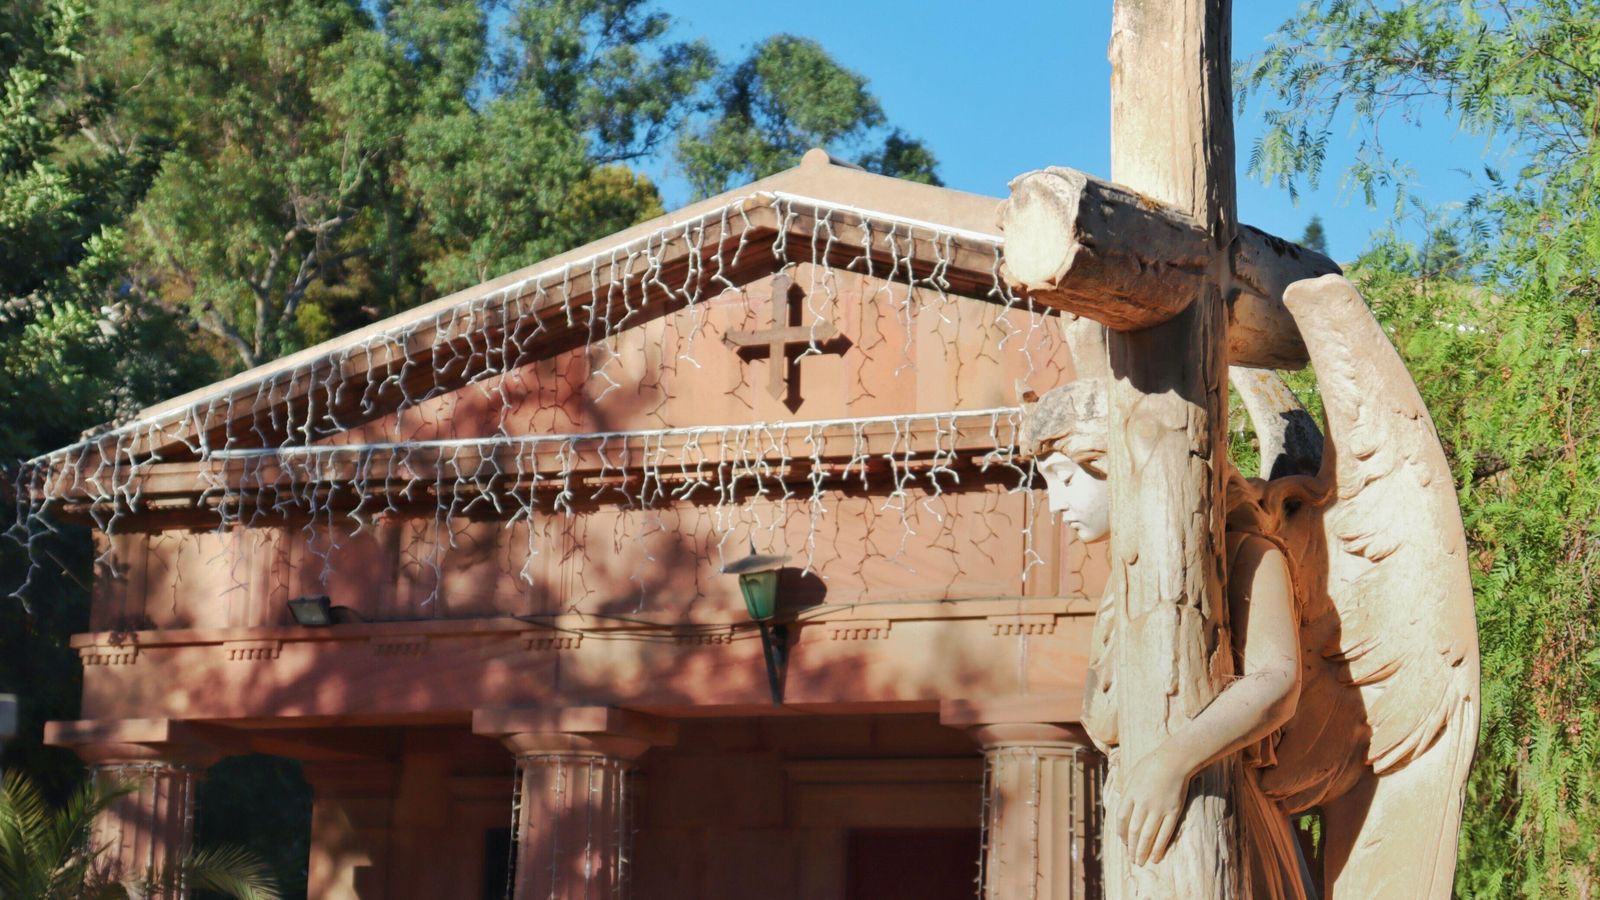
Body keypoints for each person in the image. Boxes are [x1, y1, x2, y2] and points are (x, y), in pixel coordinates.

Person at [1022, 378, 1309, 899]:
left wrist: (1172, 761)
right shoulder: (1125, 585)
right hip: (1145, 831)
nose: (1053, 505)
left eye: (1063, 478)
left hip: (1224, 813)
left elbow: (1277, 681)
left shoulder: (1250, 553)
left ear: (1119, 463)